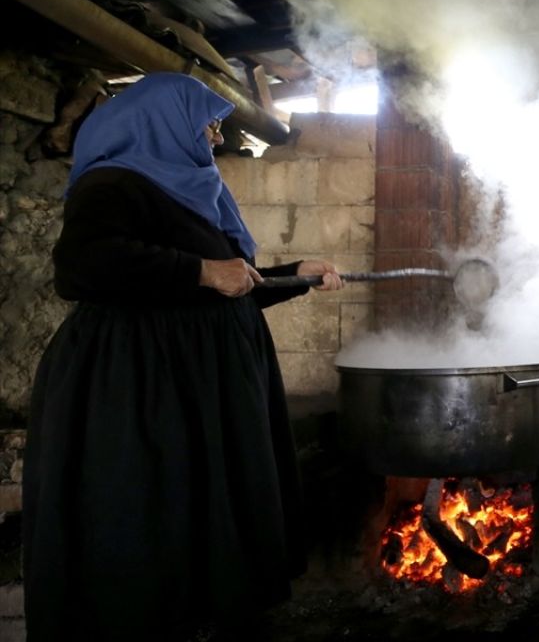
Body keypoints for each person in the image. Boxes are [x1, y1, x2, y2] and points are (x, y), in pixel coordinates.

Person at [22, 72, 344, 640]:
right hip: (139, 383)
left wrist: (294, 277)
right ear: (162, 121)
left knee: (197, 513)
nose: (216, 138)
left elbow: (223, 287)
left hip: (193, 381)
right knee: (149, 510)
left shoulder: (193, 192)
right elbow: (83, 266)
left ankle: (196, 617)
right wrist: (200, 270)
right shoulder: (113, 183)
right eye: (207, 123)